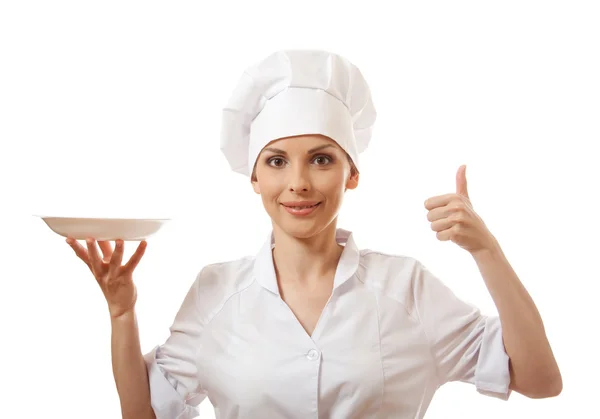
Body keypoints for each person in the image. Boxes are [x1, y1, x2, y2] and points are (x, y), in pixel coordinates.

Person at [66, 50, 562, 419]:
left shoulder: (407, 288)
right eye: (277, 161)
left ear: (352, 173)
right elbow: (144, 413)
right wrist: (122, 314)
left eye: (321, 159)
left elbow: (539, 380)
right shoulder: (215, 293)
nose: (298, 182)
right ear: (255, 178)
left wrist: (486, 251)